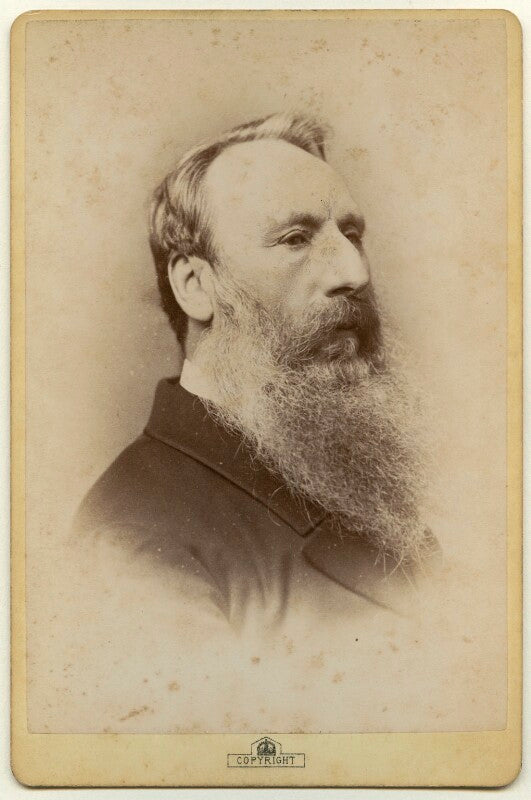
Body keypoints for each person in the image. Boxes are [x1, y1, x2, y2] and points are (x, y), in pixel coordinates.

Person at [73, 113, 439, 635]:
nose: (353, 273)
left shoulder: (356, 484)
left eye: (351, 234)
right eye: (295, 239)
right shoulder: (135, 539)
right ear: (196, 286)